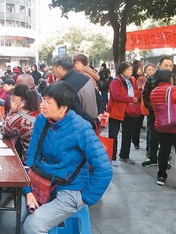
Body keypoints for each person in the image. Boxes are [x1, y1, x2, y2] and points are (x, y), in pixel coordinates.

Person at [21, 81, 112, 233]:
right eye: (43, 100)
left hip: (70, 189)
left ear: (63, 108)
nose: (42, 105)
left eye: (48, 102)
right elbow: (31, 157)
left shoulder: (81, 128)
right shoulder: (42, 120)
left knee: (33, 225)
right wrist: (28, 190)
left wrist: (85, 198)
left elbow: (104, 169)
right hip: (44, 184)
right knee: (15, 218)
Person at [142, 57, 176, 167]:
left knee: (167, 138)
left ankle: (164, 159)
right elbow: (146, 95)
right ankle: (152, 156)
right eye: (165, 65)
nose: (168, 68)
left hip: (171, 114)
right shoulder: (152, 79)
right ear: (159, 66)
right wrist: (152, 107)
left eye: (170, 66)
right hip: (155, 113)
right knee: (153, 135)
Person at [52, 54, 98, 130]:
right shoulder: (86, 78)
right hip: (91, 124)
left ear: (59, 68)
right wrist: (97, 119)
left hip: (80, 128)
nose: (52, 70)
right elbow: (99, 99)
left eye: (53, 67)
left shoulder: (65, 86)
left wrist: (94, 121)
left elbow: (77, 113)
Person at [107, 61, 141, 165]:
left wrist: (137, 98)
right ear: (122, 70)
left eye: (131, 69)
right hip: (116, 111)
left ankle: (124, 155)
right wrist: (131, 99)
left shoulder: (132, 80)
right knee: (113, 135)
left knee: (127, 134)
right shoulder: (116, 81)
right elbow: (116, 96)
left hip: (129, 111)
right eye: (129, 69)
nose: (131, 71)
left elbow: (138, 92)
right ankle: (111, 157)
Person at [0, 84, 41, 164]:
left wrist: (12, 112)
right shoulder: (40, 109)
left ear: (16, 98)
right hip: (43, 158)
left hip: (30, 161)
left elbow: (4, 131)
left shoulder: (18, 118)